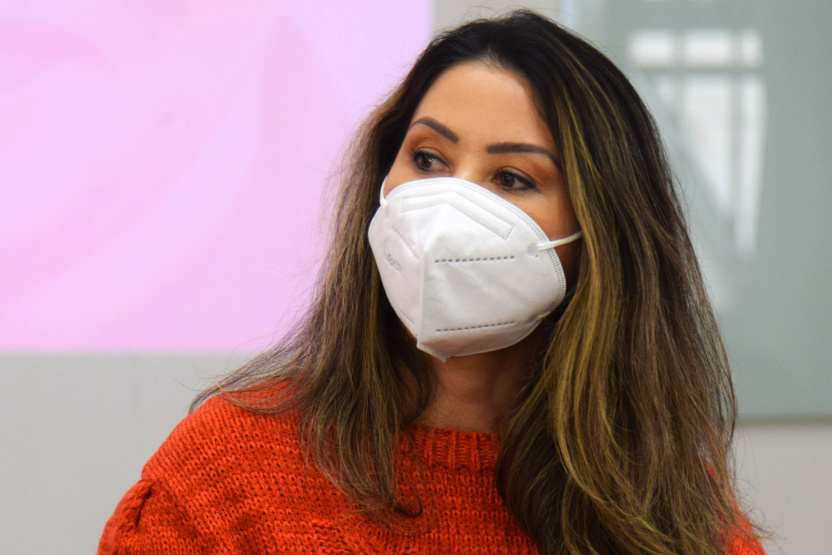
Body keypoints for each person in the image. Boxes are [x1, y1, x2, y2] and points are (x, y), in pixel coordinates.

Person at [99, 10, 765, 555]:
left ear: (599, 233)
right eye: (427, 158)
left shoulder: (663, 503)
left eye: (511, 178)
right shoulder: (225, 474)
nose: (446, 208)